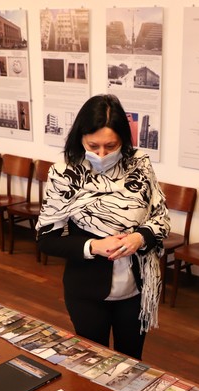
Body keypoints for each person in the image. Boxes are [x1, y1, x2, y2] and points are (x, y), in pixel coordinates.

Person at [36, 94, 169, 360]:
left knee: (131, 361)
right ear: (80, 138)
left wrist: (140, 238)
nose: (101, 154)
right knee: (91, 362)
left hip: (137, 288)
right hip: (87, 289)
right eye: (93, 145)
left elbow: (160, 217)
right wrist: (93, 246)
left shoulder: (139, 164)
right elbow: (46, 239)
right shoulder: (65, 173)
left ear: (124, 140)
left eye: (111, 146)